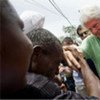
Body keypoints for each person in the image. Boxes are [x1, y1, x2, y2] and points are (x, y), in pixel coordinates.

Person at [1, 0, 99, 99]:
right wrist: (81, 61)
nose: (57, 72)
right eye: (21, 29)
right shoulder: (38, 86)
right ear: (36, 55)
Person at [79, 5, 100, 77]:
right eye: (90, 29)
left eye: (95, 25)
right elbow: (78, 51)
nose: (94, 31)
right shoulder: (90, 41)